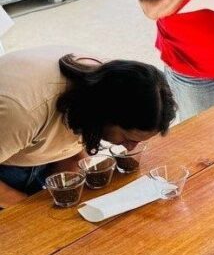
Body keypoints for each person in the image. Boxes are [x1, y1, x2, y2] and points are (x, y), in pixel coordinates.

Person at [0, 46, 177, 208]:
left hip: (32, 148)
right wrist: (27, 211)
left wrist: (69, 187)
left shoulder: (105, 83)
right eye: (128, 138)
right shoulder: (23, 111)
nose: (130, 147)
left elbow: (68, 142)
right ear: (106, 114)